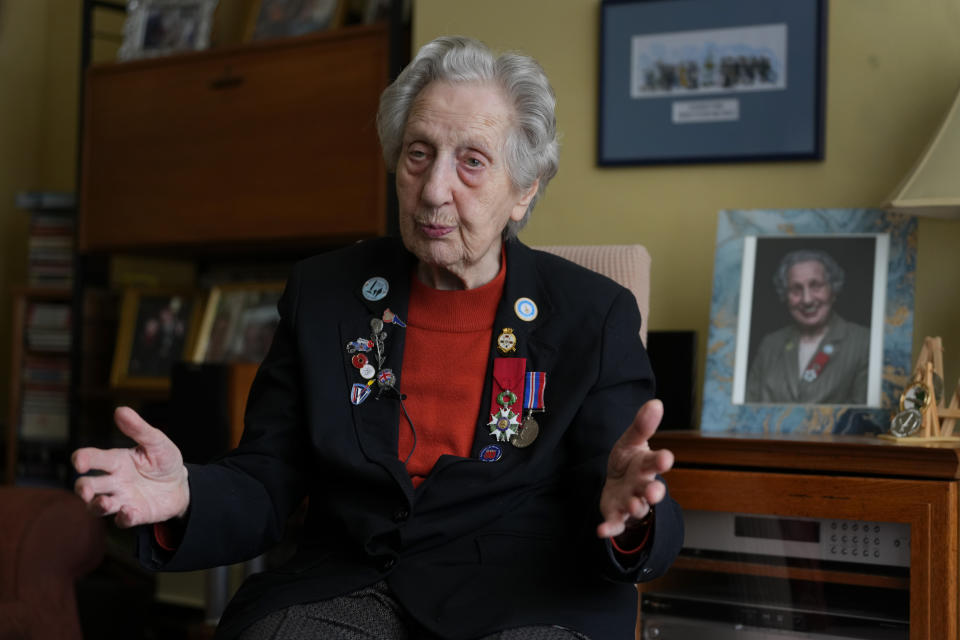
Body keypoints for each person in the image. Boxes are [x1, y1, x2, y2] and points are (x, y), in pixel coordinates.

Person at [72, 36, 683, 640]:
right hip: (349, 584)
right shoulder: (326, 293)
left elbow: (618, 485)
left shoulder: (591, 314)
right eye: (419, 153)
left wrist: (634, 513)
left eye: (471, 161)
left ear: (523, 191)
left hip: (524, 598)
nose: (435, 189)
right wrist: (185, 496)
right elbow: (267, 475)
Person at [745, 249, 871, 405]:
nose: (807, 300)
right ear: (785, 295)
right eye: (796, 289)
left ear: (833, 290)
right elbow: (747, 411)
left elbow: (865, 419)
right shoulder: (770, 344)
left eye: (816, 286)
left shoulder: (864, 342)